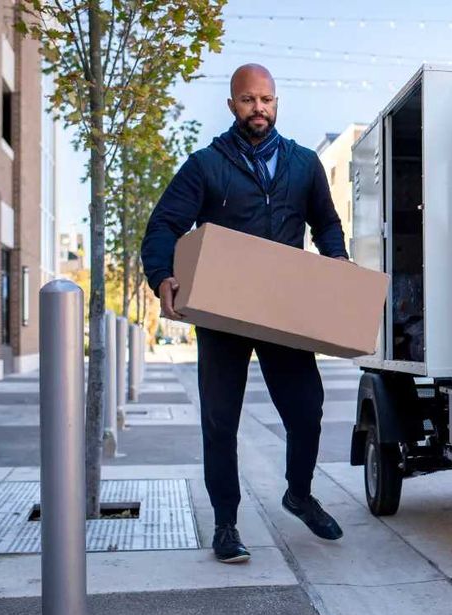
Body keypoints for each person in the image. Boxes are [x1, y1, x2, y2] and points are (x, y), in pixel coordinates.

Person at [141, 64, 349, 563]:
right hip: (222, 313)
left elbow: (326, 223)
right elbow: (164, 225)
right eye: (249, 100)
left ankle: (299, 493)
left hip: (284, 312)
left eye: (268, 100)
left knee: (307, 411)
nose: (260, 108)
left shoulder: (302, 163)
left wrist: (338, 267)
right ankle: (226, 524)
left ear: (277, 104)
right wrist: (162, 275)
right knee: (220, 421)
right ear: (232, 104)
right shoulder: (206, 165)